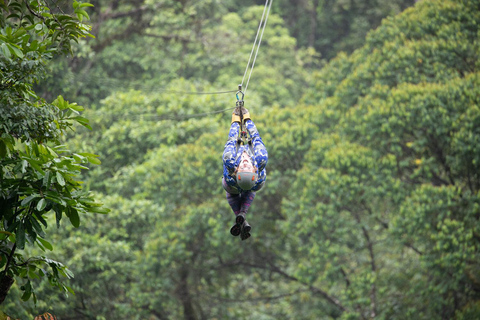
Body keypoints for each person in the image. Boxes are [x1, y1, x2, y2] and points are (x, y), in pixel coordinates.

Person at [222, 106, 268, 240]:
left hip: (233, 184)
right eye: (247, 166)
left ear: (237, 169)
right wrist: (247, 119)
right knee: (250, 188)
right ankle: (242, 213)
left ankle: (239, 213)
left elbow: (231, 139)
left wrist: (236, 121)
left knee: (232, 191)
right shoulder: (260, 158)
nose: (246, 163)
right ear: (254, 169)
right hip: (252, 183)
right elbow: (256, 137)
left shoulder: (230, 159)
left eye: (245, 166)